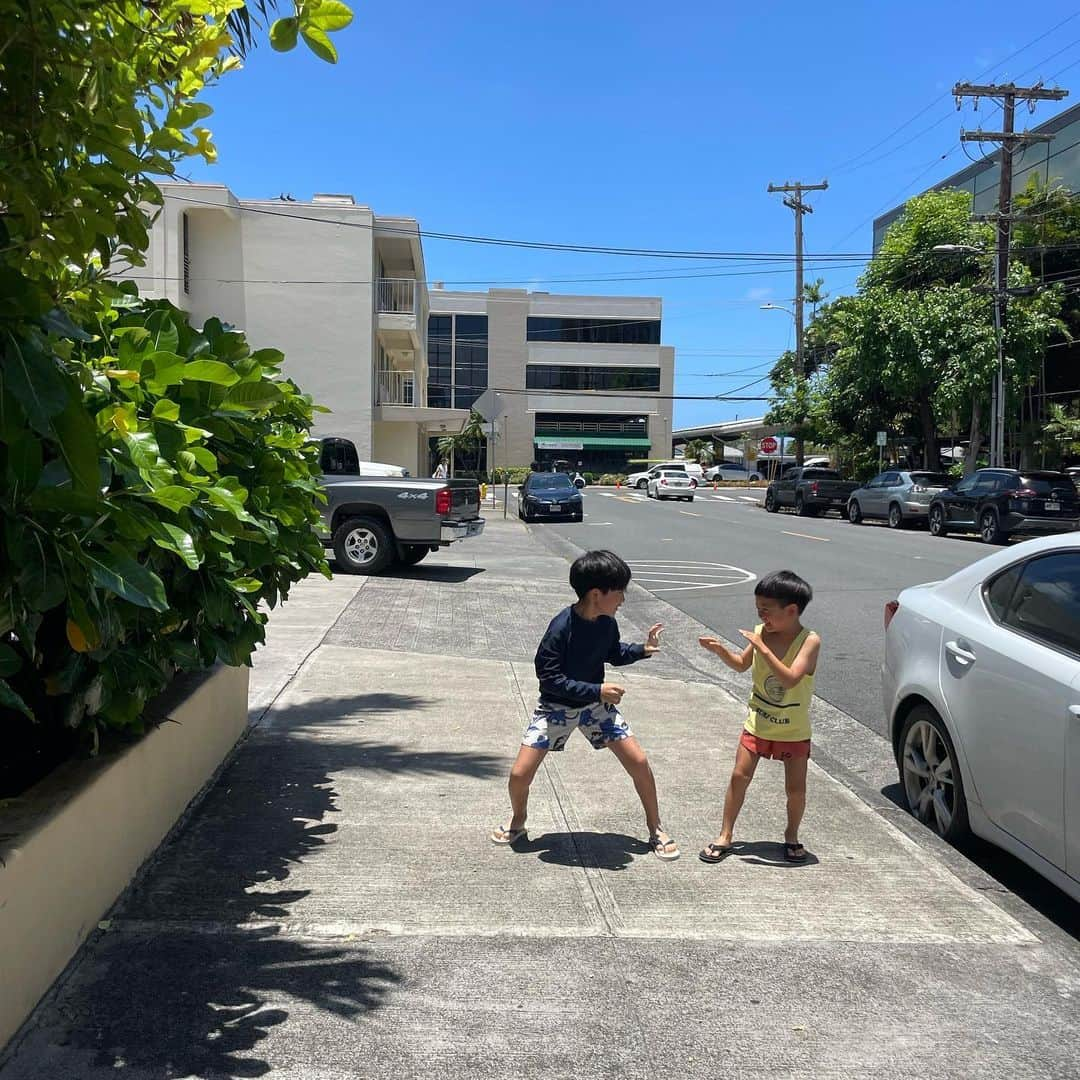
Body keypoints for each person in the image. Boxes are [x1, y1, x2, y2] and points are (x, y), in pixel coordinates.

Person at [491, 550, 680, 860]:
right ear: (596, 593)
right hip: (558, 707)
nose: (622, 599)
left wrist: (642, 649)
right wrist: (598, 690)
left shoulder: (606, 622)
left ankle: (655, 826)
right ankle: (518, 820)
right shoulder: (560, 628)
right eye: (619, 591)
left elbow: (613, 652)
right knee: (519, 775)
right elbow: (550, 678)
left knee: (639, 762)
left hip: (595, 707)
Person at [697, 570, 820, 864]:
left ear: (792, 610)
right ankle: (725, 835)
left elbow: (790, 679)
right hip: (758, 722)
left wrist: (762, 646)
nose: (762, 616)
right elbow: (742, 665)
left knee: (795, 790)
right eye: (758, 610)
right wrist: (721, 651)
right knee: (739, 777)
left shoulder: (809, 641)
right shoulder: (761, 633)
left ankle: (791, 835)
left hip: (793, 730)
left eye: (767, 610)